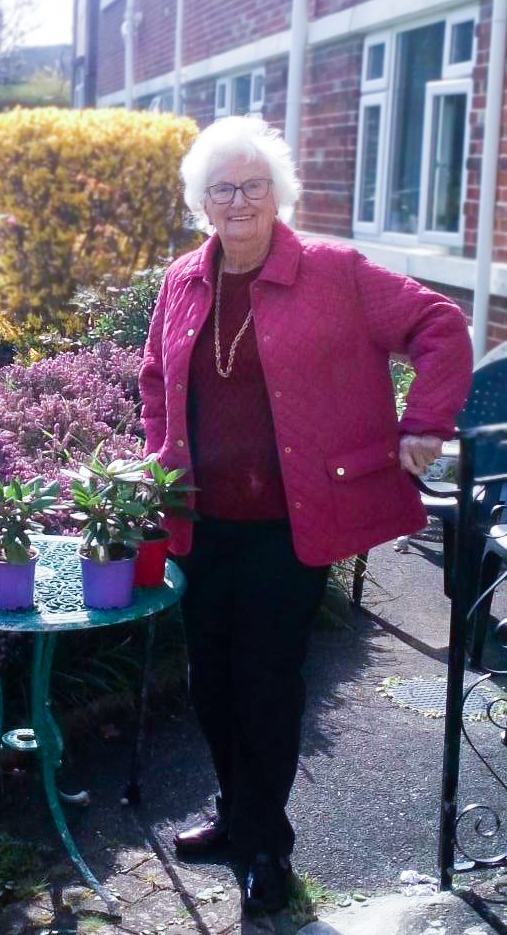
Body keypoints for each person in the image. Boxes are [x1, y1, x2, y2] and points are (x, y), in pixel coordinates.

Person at [139, 115, 471, 914]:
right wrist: (160, 462)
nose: (240, 200)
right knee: (209, 680)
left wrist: (425, 422)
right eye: (223, 188)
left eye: (255, 185)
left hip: (293, 523)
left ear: (278, 194)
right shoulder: (184, 279)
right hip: (201, 519)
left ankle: (266, 845)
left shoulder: (335, 272)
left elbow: (440, 325)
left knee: (267, 681)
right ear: (202, 202)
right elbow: (155, 378)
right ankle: (233, 813)